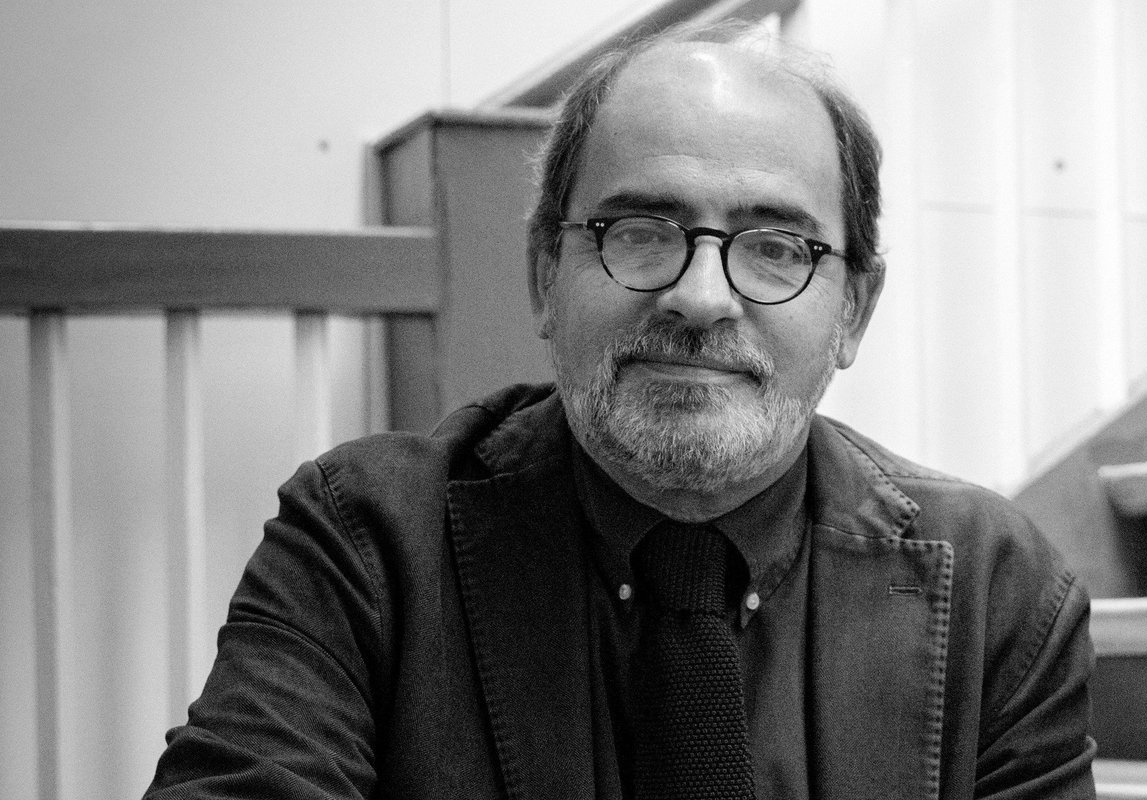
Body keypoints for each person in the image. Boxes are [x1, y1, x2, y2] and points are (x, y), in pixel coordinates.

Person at [144, 22, 1097, 800]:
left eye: (776, 248)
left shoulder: (998, 593)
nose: (702, 298)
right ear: (544, 275)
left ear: (852, 309)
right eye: (640, 232)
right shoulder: (365, 544)